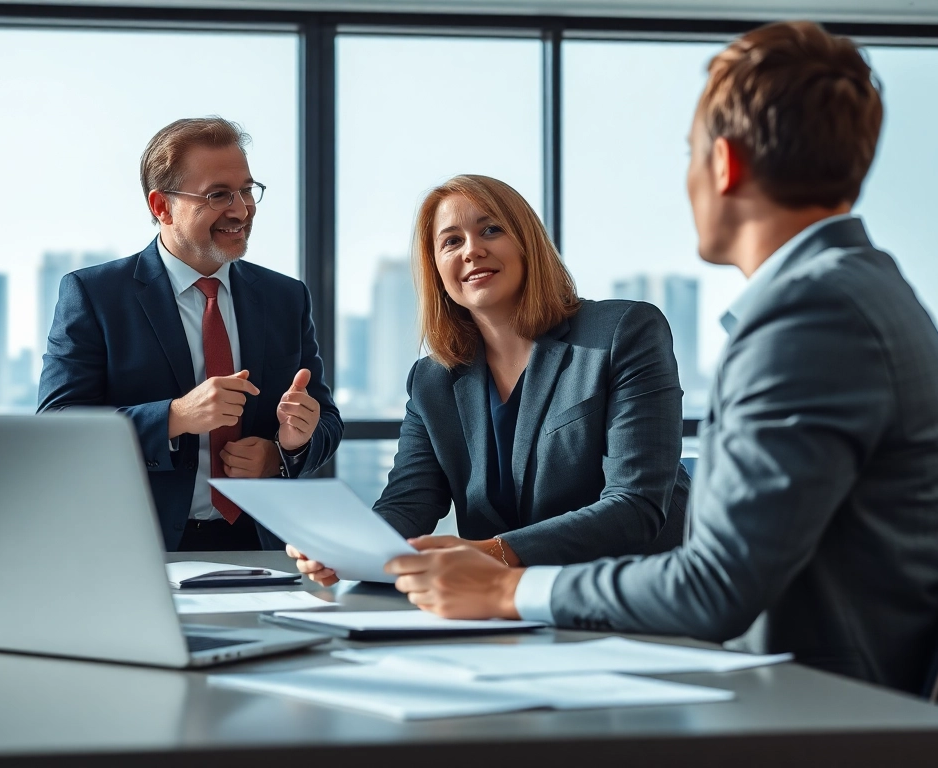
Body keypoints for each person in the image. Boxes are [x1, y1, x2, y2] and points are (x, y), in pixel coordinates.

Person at [386, 21, 938, 696]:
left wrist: (506, 589)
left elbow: (711, 584)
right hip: (780, 680)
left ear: (723, 164)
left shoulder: (810, 316)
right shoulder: (852, 288)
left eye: (688, 153)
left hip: (808, 704)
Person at [292, 174, 689, 587]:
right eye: (451, 241)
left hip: (632, 596)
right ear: (437, 271)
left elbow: (635, 504)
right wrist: (347, 548)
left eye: (491, 230)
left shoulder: (622, 332)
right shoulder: (432, 381)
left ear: (526, 242)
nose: (472, 251)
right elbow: (409, 503)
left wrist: (492, 554)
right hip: (501, 609)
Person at [39, 117, 342, 552]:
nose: (241, 210)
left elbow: (327, 421)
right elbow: (57, 427)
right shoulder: (95, 295)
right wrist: (176, 416)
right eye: (218, 195)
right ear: (162, 207)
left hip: (263, 550)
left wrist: (283, 453)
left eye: (246, 190)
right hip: (137, 550)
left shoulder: (285, 297)